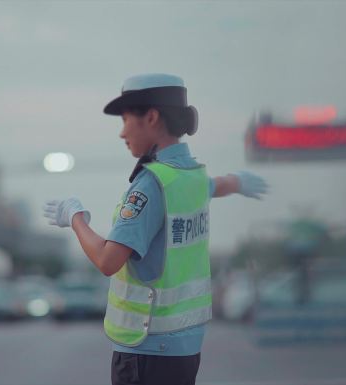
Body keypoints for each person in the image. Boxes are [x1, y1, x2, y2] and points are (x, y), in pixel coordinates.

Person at [44, 73, 268, 385]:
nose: (122, 133)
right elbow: (215, 186)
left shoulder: (150, 185)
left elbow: (108, 261)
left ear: (151, 118)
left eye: (125, 120)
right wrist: (239, 182)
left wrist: (75, 218)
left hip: (146, 348)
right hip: (185, 347)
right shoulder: (189, 176)